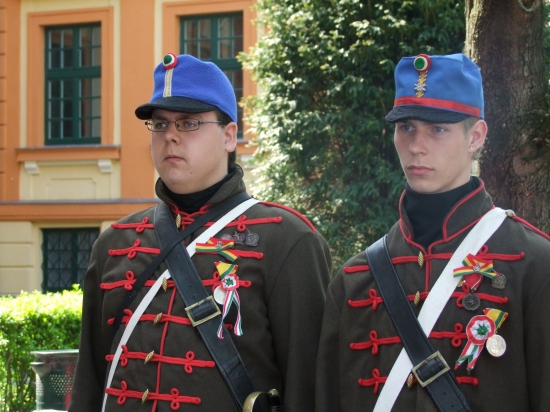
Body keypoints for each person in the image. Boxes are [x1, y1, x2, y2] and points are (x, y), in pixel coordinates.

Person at [69, 53, 331, 412]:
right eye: (160, 124)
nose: (170, 136)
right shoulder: (114, 242)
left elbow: (308, 392)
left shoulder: (287, 240)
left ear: (229, 136)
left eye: (189, 123)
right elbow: (89, 384)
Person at [316, 53, 550, 412]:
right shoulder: (354, 280)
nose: (416, 146)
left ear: (475, 136)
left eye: (437, 129)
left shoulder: (534, 264)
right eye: (406, 127)